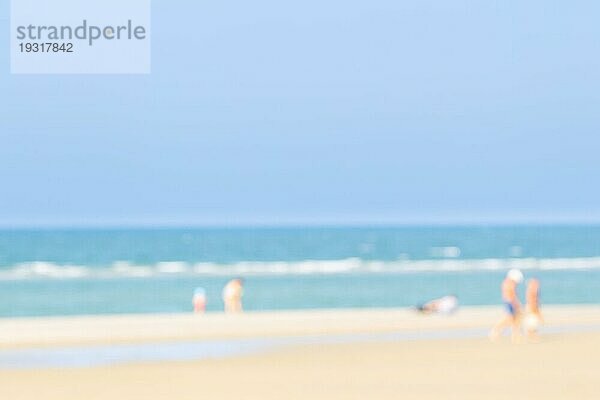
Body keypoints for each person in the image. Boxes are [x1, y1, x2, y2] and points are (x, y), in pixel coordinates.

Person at [489, 269, 524, 343]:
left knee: (514, 319)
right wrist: (517, 304)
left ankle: (515, 336)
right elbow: (512, 295)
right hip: (510, 302)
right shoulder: (510, 283)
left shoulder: (506, 282)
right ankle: (496, 331)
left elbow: (509, 294)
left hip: (508, 302)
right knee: (510, 319)